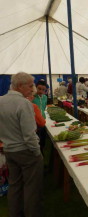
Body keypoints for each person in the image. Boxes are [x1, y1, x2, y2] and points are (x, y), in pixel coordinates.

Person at [0, 72, 43, 217]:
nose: (32, 89)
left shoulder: (1, 100)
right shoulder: (24, 103)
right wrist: (37, 152)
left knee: (15, 185)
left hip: (9, 150)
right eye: (30, 86)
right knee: (31, 187)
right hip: (25, 151)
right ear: (20, 86)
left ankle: (15, 213)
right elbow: (29, 134)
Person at [33, 80, 48, 153]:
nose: (41, 91)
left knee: (42, 140)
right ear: (35, 88)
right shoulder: (32, 97)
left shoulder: (45, 97)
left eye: (43, 89)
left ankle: (42, 154)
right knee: (36, 141)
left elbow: (44, 108)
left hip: (43, 121)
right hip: (34, 123)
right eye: (39, 88)